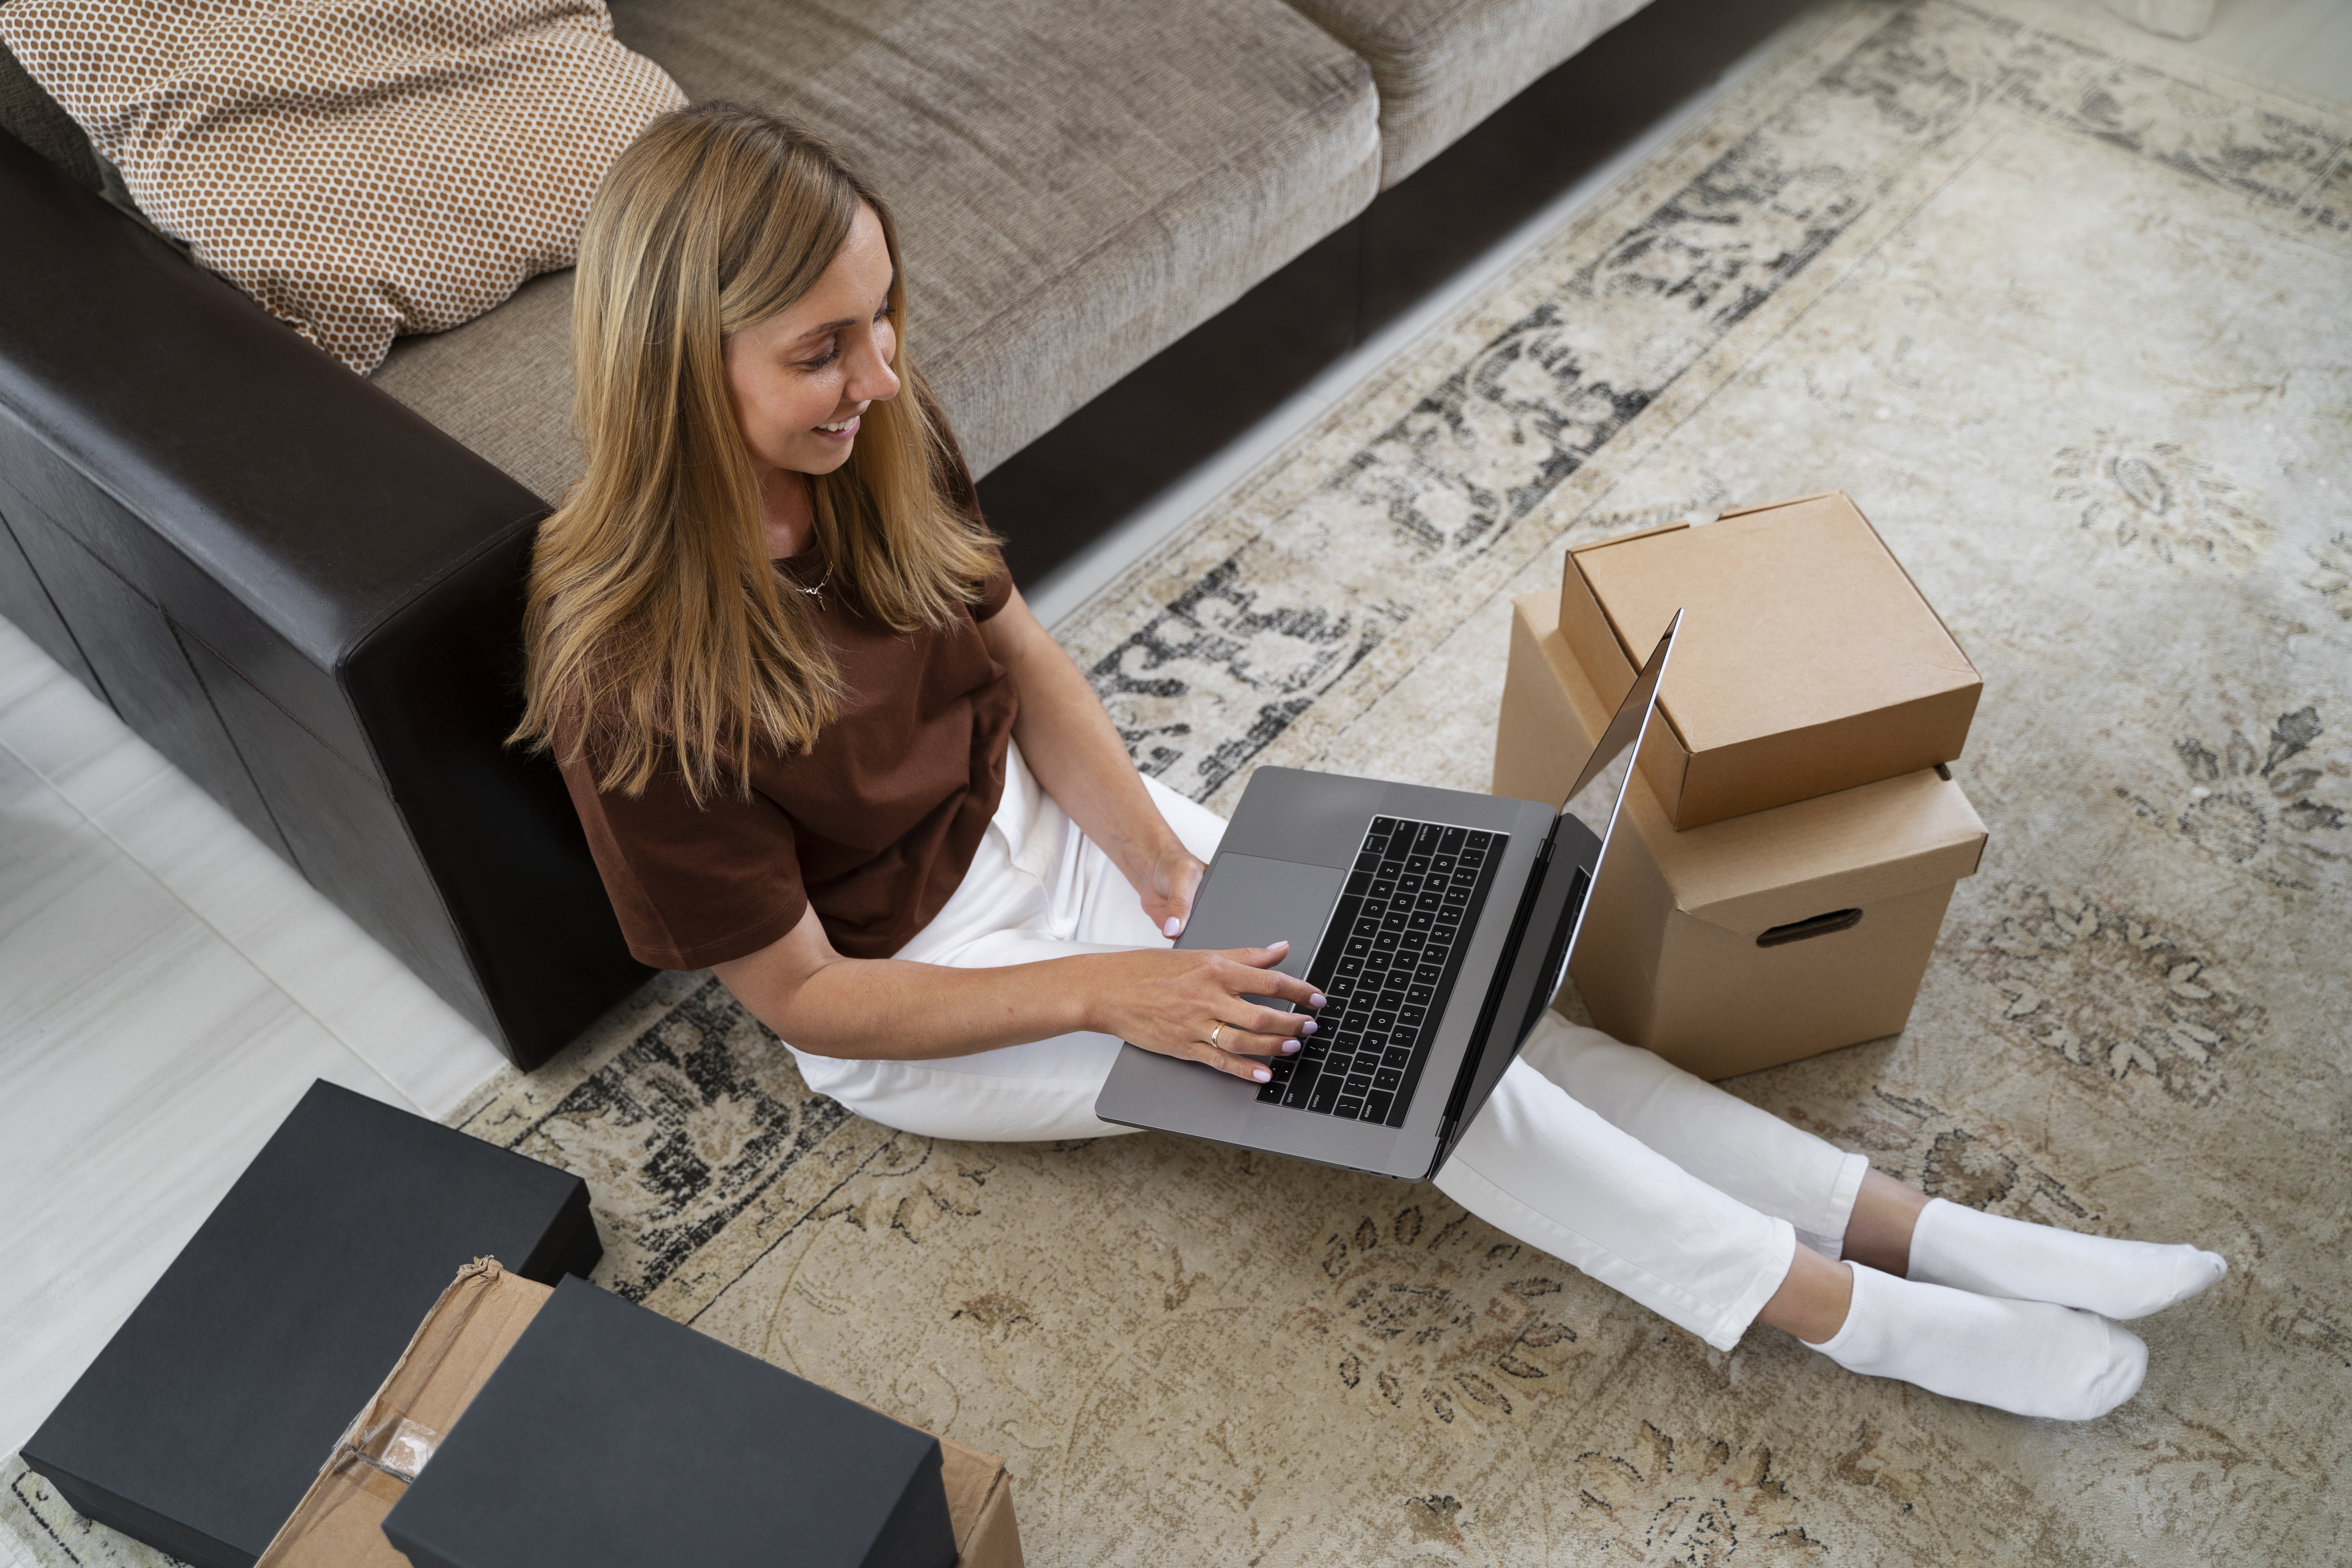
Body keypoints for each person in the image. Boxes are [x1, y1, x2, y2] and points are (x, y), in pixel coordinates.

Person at [514, 104, 2225, 1423]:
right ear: (683, 368)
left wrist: (1169, 863)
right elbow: (810, 1003)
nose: (881, 376)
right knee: (1406, 1062)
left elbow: (1016, 651)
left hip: (1055, 835)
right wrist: (1119, 984)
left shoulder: (879, 429)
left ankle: (1909, 1223)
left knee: (1463, 977)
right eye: (823, 348)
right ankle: (1847, 1315)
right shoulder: (627, 683)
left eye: (883, 319)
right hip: (923, 989)